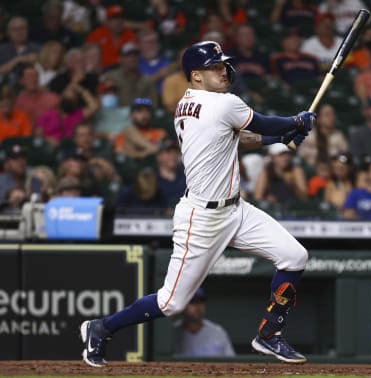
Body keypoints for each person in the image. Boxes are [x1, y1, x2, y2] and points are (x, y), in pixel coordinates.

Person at [79, 40, 315, 367]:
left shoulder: (187, 103)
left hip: (236, 209)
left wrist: (280, 139)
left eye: (222, 64)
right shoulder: (222, 103)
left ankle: (269, 334)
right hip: (202, 219)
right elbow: (260, 123)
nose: (223, 70)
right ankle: (101, 328)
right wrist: (296, 122)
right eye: (214, 66)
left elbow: (238, 136)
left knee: (294, 256)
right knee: (172, 303)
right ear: (196, 75)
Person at [172, 287, 235, 357]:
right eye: (193, 302)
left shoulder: (218, 332)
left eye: (201, 302)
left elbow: (232, 362)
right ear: (182, 305)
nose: (198, 307)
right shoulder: (172, 333)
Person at [104, 43, 158, 108]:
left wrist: (138, 101)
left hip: (140, 115)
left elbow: (153, 103)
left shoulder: (146, 80)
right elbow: (104, 102)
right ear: (120, 59)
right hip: (116, 114)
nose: (132, 58)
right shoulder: (111, 77)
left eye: (135, 55)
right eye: (128, 55)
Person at [86, 5, 137, 70]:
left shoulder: (130, 35)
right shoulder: (96, 34)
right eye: (114, 18)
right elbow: (87, 55)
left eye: (121, 17)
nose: (119, 21)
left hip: (124, 72)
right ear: (107, 21)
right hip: (102, 71)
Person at [0, 16, 40, 84]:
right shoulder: (1, 49)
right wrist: (18, 60)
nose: (19, 32)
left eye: (22, 28)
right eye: (15, 29)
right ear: (8, 33)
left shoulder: (38, 48)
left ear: (27, 30)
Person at [155, 137, 186, 214]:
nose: (173, 155)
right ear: (159, 156)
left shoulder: (187, 177)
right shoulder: (151, 179)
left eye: (175, 152)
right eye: (168, 152)